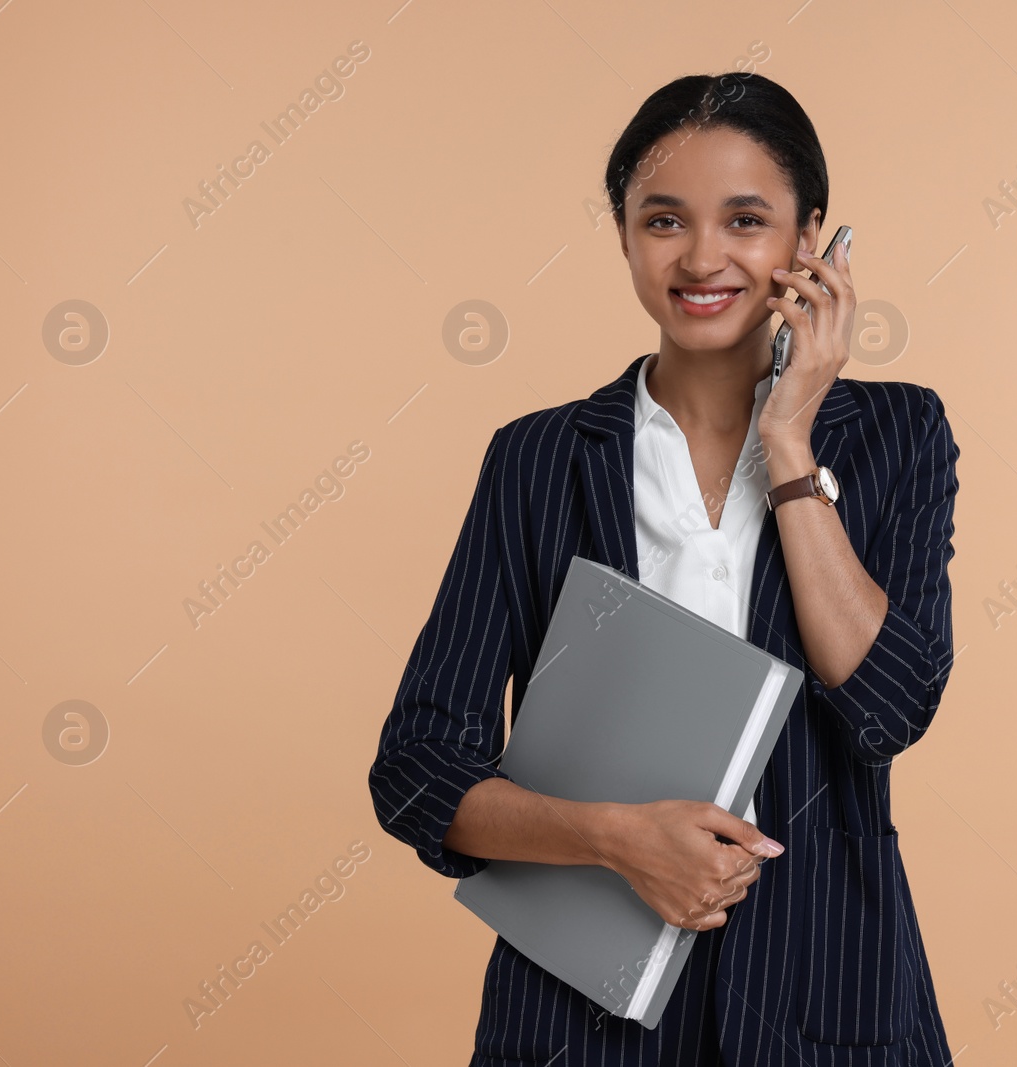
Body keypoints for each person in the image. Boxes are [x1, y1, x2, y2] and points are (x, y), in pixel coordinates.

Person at [369, 71, 961, 1066]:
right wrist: (614, 839)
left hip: (828, 1004)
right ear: (622, 235)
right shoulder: (541, 459)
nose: (700, 256)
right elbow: (420, 769)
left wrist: (787, 441)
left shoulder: (897, 432)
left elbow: (888, 707)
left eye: (745, 219)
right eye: (661, 220)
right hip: (582, 1021)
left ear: (810, 238)